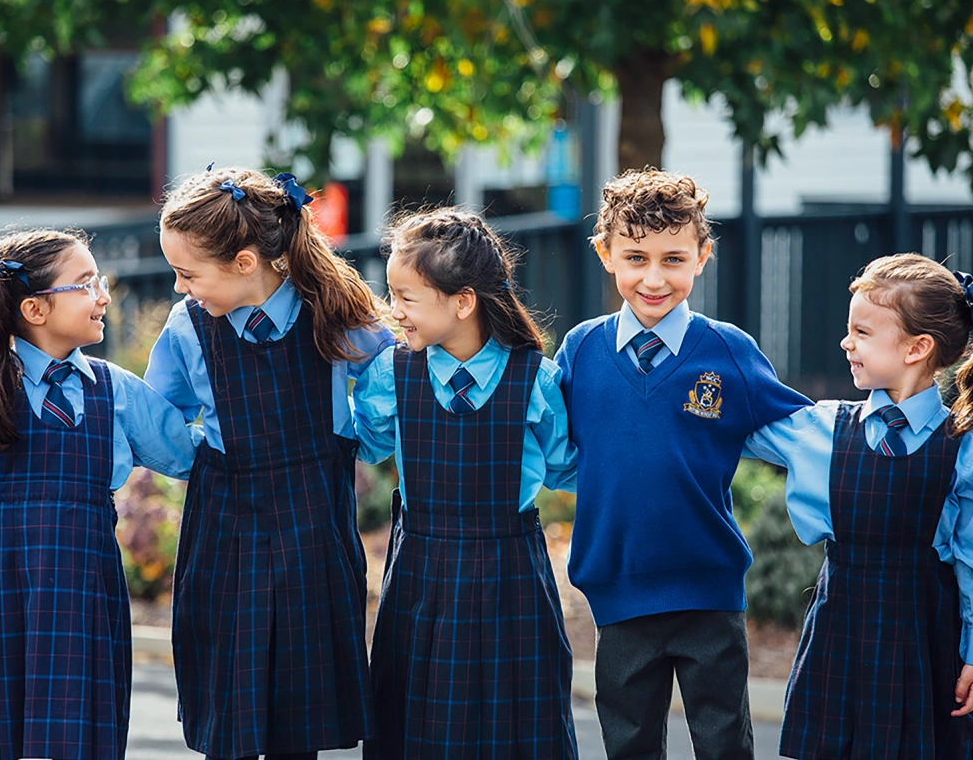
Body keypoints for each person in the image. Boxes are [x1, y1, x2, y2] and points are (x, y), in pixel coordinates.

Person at [555, 168, 812, 759]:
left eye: (673, 259)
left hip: (709, 592)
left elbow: (803, 433)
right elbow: (553, 448)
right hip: (616, 592)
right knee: (629, 746)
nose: (653, 277)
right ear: (605, 254)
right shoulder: (581, 351)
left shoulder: (729, 350)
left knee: (724, 744)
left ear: (702, 257)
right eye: (636, 257)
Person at [145, 167, 393, 760]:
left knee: (298, 712)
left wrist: (363, 438)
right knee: (229, 700)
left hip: (314, 530)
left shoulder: (334, 309)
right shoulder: (188, 327)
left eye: (187, 273)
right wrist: (204, 460)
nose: (181, 288)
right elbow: (159, 417)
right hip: (223, 531)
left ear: (245, 262)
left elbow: (392, 381)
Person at [0, 228, 198, 760]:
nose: (103, 295)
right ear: (35, 308)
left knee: (77, 734)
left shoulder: (115, 389)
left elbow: (186, 452)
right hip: (0, 592)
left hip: (84, 592)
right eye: (85, 283)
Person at [745, 253, 973, 759]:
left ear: (917, 347)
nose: (846, 342)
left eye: (862, 332)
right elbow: (730, 424)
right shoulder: (821, 427)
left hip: (923, 645)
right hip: (838, 634)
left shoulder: (968, 450)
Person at [353, 207, 579, 759]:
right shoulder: (391, 371)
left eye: (406, 297)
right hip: (419, 574)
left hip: (512, 577)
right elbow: (368, 442)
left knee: (514, 724)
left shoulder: (535, 378)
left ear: (462, 301)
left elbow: (564, 465)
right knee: (416, 718)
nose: (393, 311)